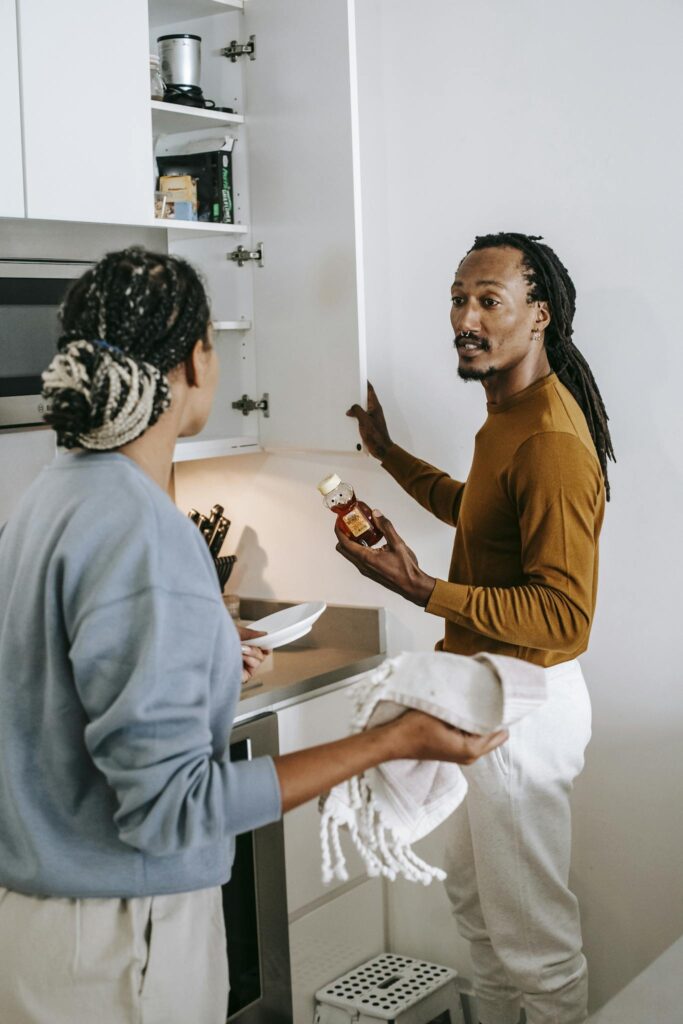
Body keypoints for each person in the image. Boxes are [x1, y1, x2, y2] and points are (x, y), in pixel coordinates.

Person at [0, 247, 508, 1024]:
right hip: (118, 941)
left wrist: (201, 648)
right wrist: (393, 741)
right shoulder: (146, 532)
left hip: (39, 927)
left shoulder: (49, 498)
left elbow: (56, 675)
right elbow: (174, 811)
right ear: (192, 365)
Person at [340, 233, 615, 1024]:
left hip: (525, 702)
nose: (465, 317)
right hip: (482, 693)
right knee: (478, 917)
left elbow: (563, 617)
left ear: (539, 314)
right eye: (458, 299)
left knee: (536, 944)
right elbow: (480, 513)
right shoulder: (509, 413)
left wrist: (422, 587)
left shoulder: (551, 441)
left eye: (487, 300)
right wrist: (388, 456)